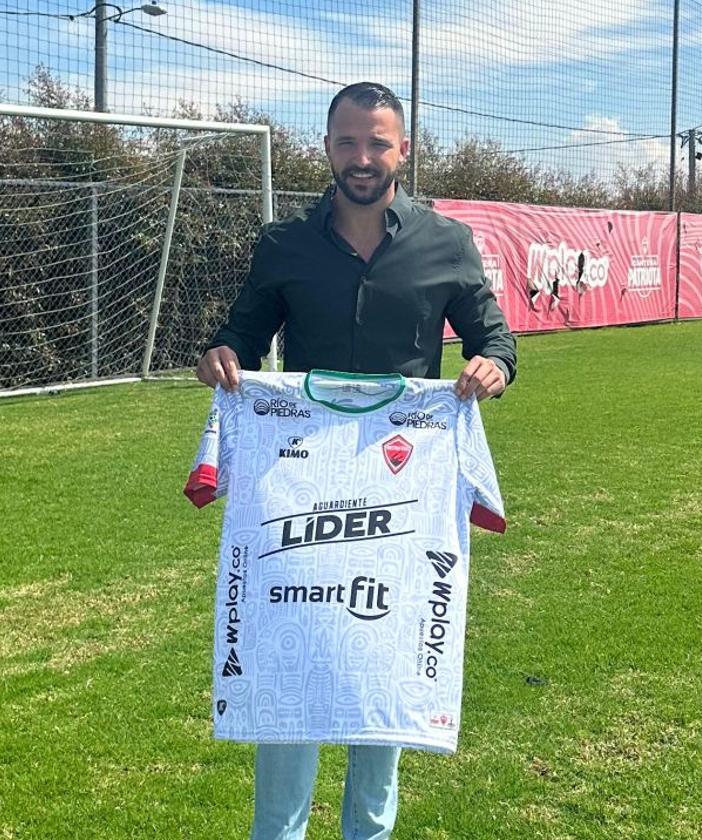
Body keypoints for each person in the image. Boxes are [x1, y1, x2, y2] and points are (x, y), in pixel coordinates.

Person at [195, 81, 516, 840]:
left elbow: (493, 338)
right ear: (327, 148)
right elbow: (239, 334)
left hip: (402, 498)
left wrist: (492, 367)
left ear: (403, 148)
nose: (362, 157)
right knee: (288, 673)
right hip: (297, 490)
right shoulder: (284, 245)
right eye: (347, 141)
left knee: (382, 691)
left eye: (377, 142)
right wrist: (222, 356)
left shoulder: (447, 241)